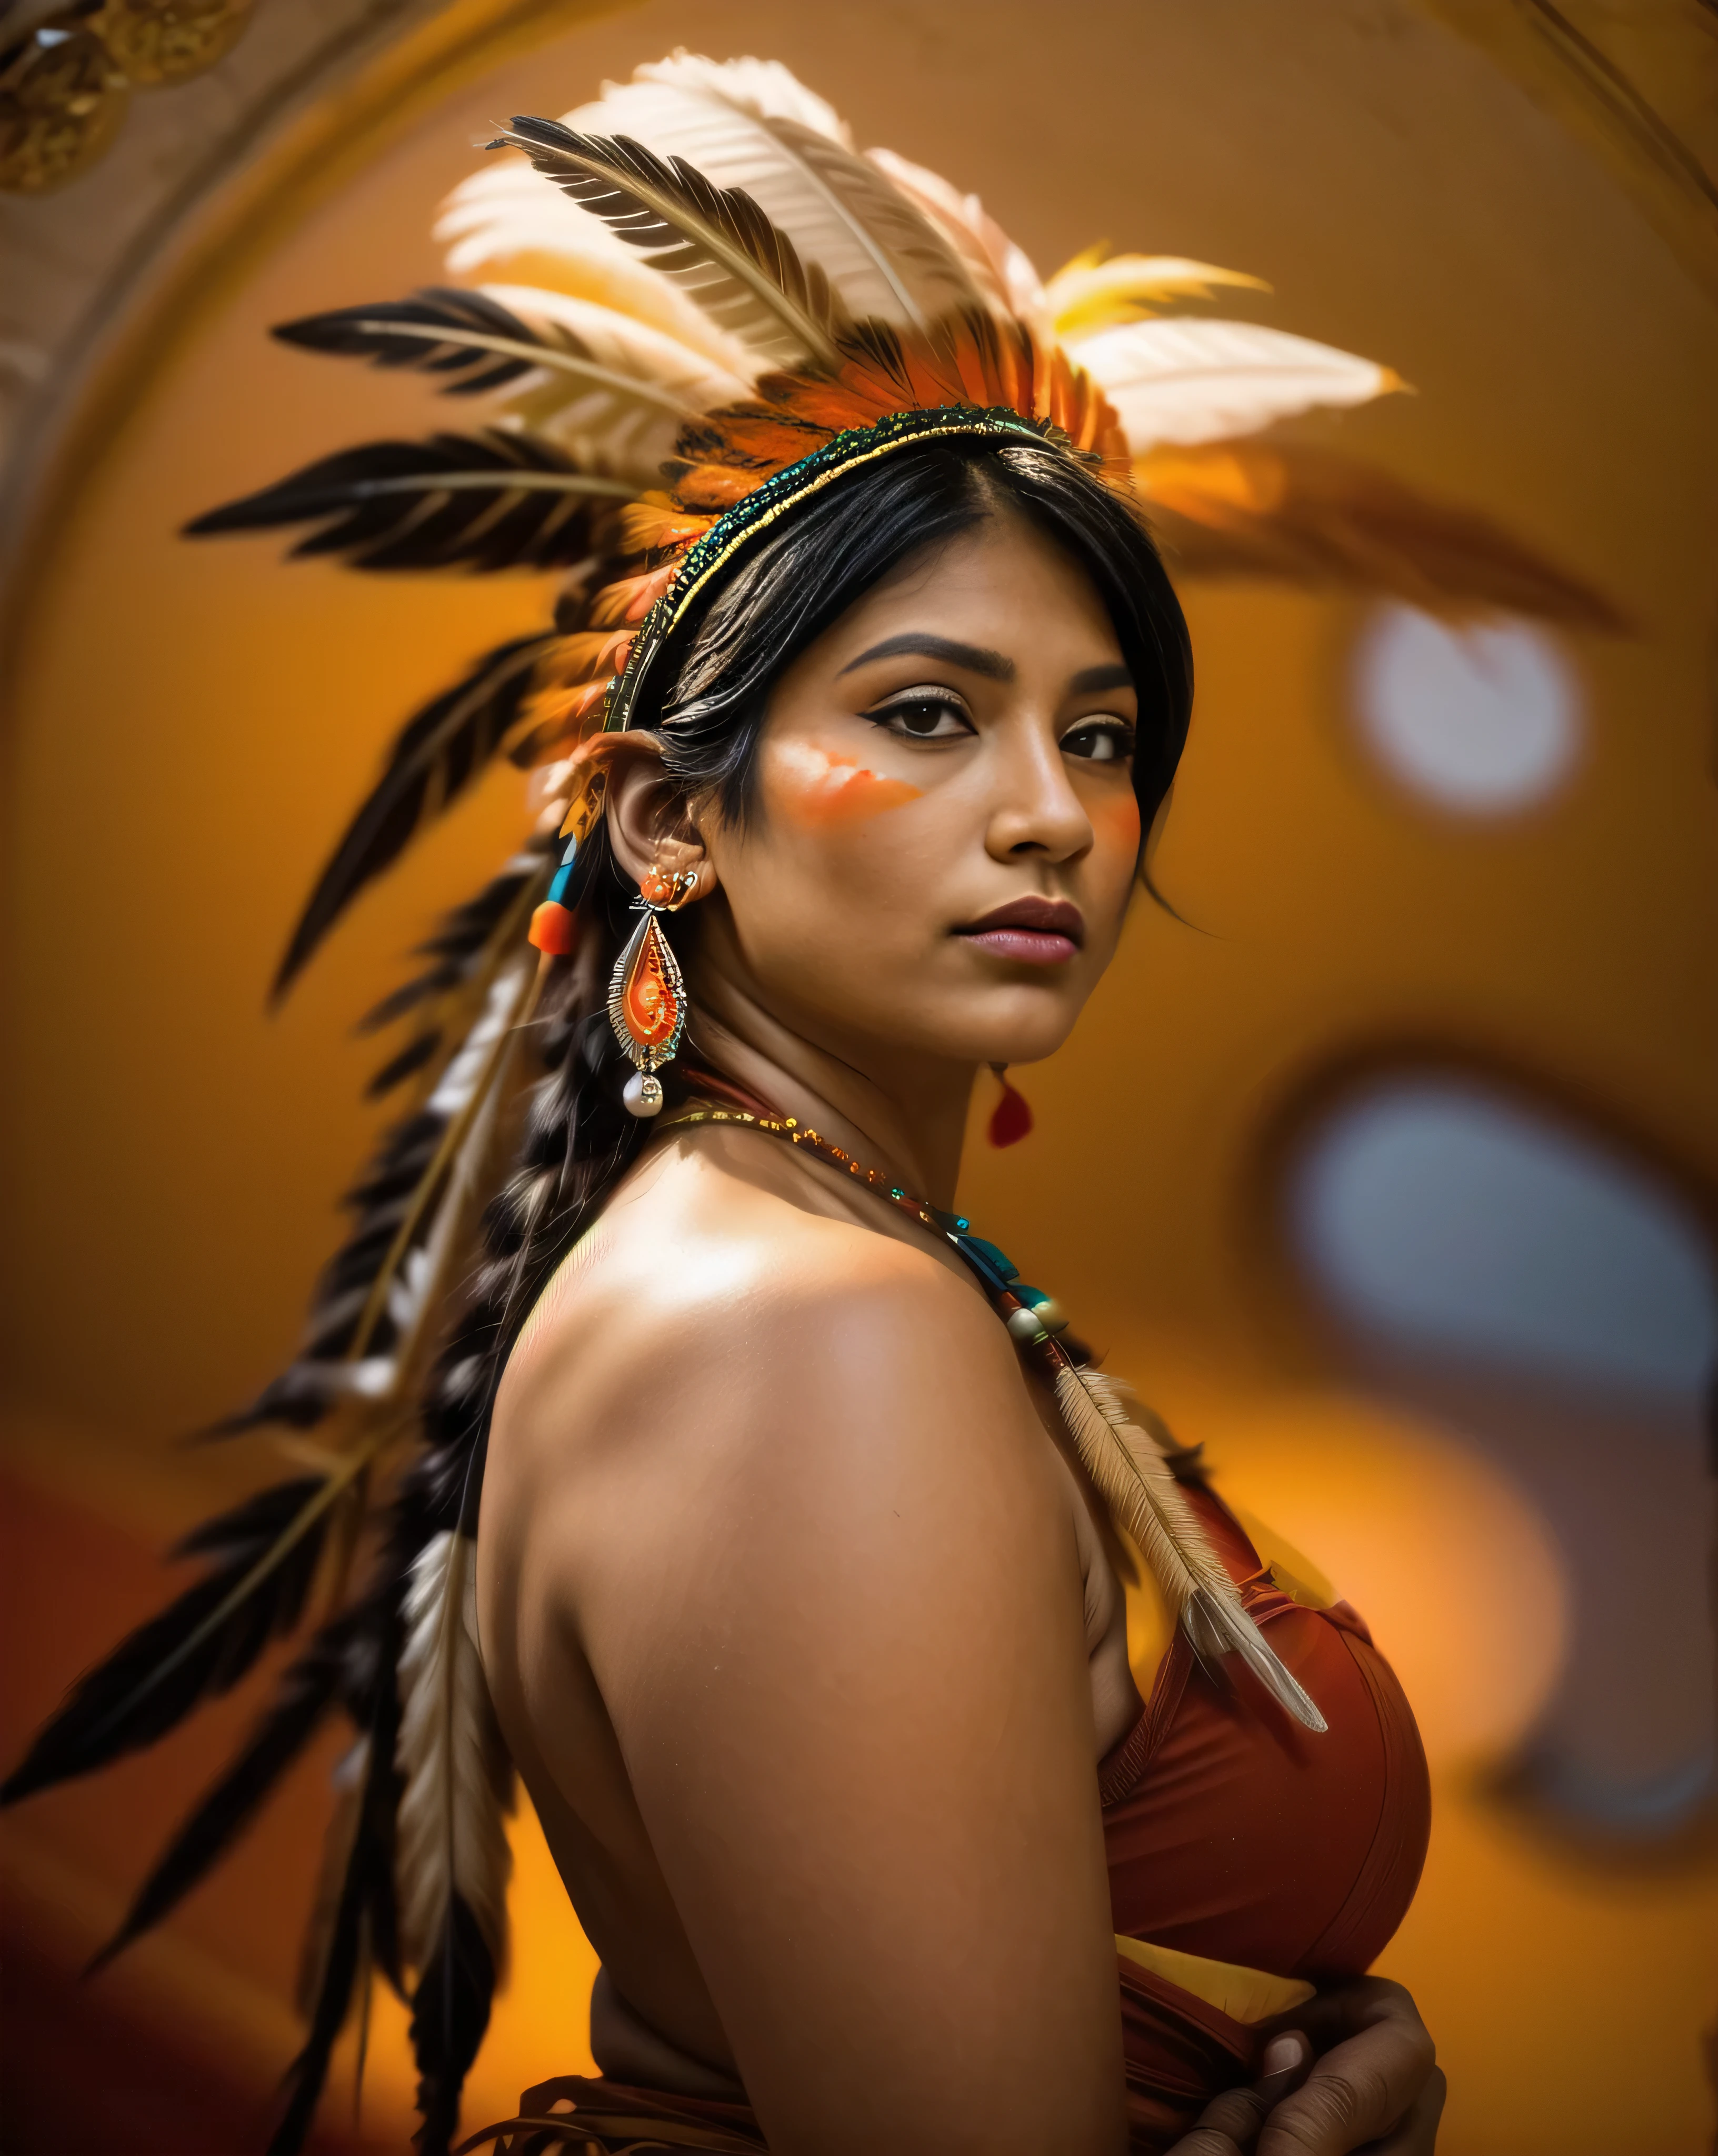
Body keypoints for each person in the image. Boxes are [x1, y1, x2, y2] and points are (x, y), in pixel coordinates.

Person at [3, 55, 1453, 2156]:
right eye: (930, 713)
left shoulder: (832, 1270)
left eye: (1106, 731)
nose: (1056, 812)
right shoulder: (816, 1342)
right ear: (677, 817)